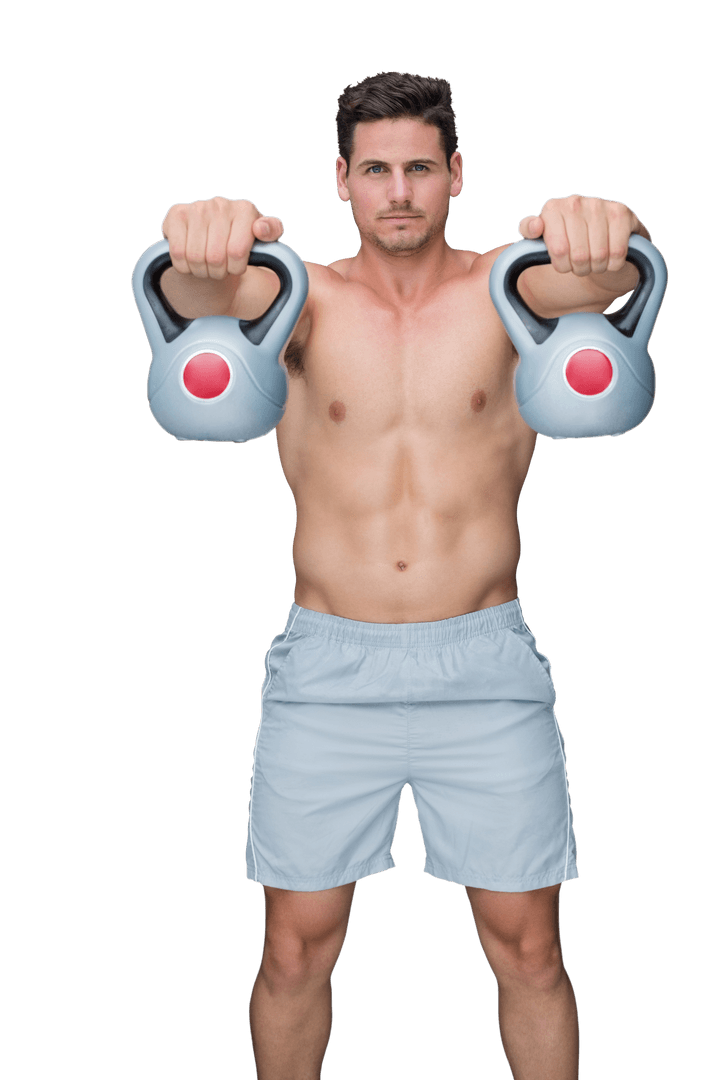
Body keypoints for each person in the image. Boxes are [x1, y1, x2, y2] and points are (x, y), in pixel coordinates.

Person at [158, 71, 652, 1080]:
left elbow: (609, 281)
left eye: (420, 168)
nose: (398, 191)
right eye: (376, 169)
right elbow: (196, 294)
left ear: (456, 175)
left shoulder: (508, 290)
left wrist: (603, 230)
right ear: (340, 179)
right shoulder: (298, 297)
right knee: (294, 952)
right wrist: (196, 243)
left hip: (486, 664)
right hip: (326, 670)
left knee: (531, 951)